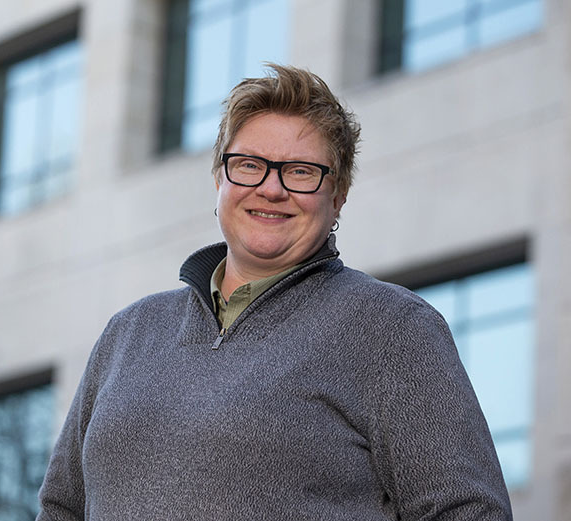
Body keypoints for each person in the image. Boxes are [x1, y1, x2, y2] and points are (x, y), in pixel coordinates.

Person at [36, 64, 512, 520]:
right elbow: (61, 510)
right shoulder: (129, 332)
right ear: (220, 178)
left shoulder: (392, 329)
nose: (271, 188)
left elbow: (468, 512)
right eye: (249, 165)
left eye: (301, 171)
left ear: (338, 195)